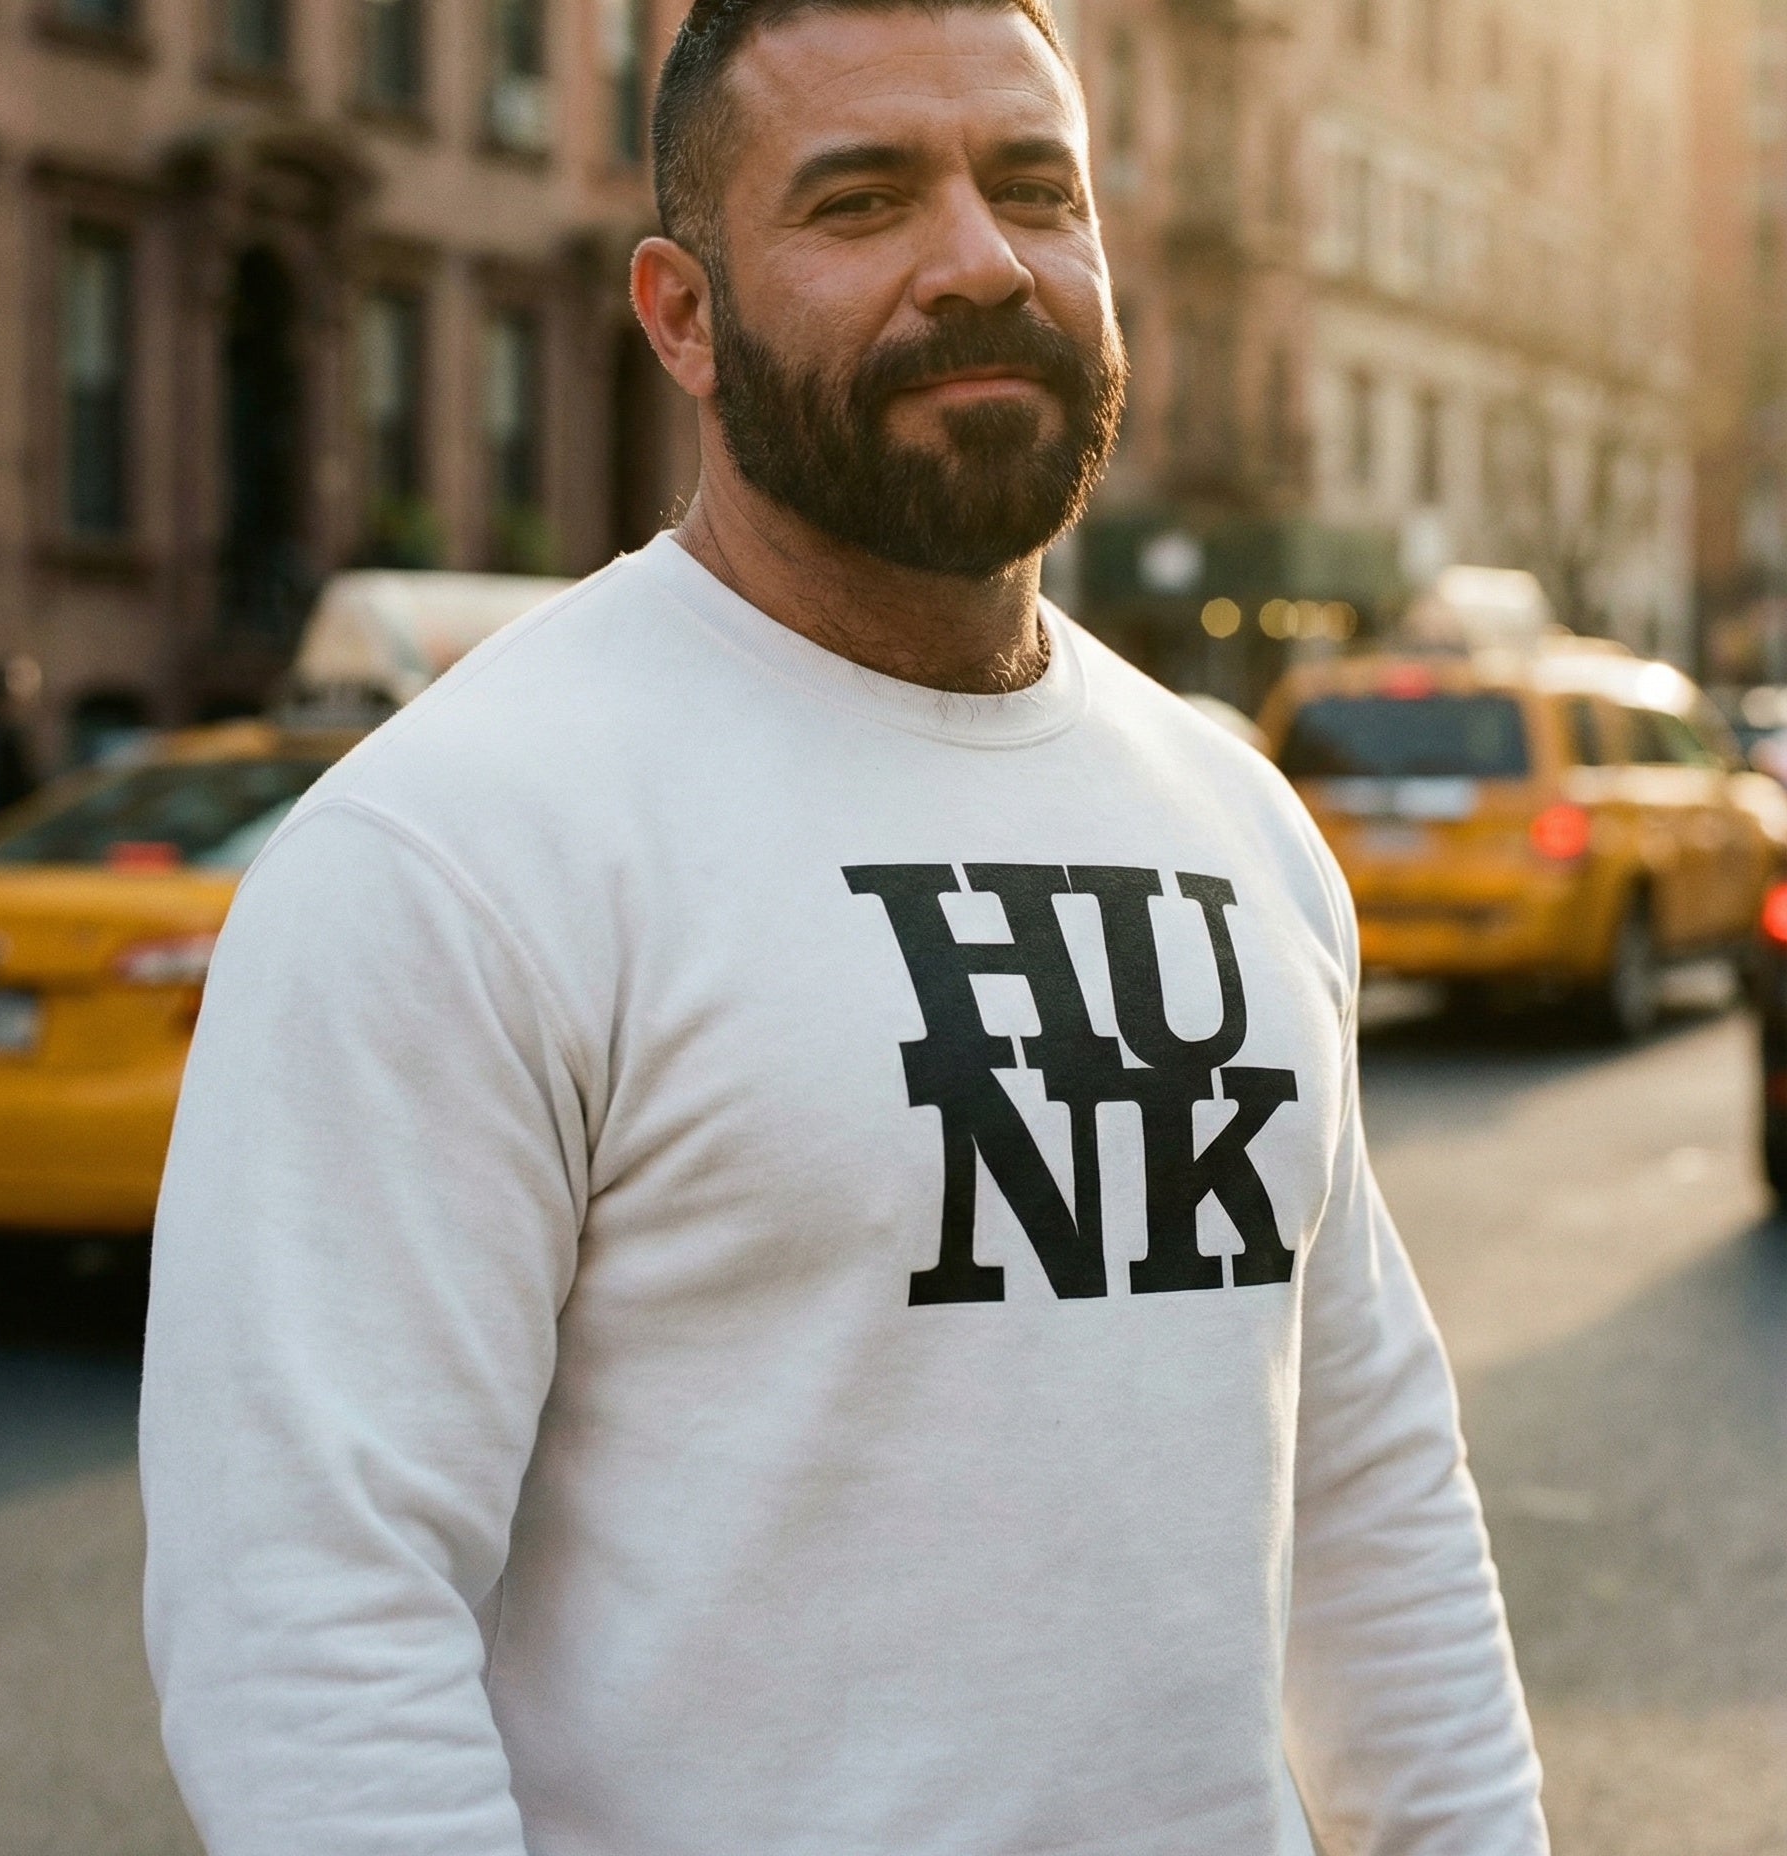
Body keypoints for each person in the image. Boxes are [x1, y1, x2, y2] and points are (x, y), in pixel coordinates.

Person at [140, 0, 1550, 1849]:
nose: (979, 263)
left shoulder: (1236, 819)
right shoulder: (453, 849)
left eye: (1035, 189)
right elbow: (306, 1627)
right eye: (863, 202)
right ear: (683, 316)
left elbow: (1369, 1496)